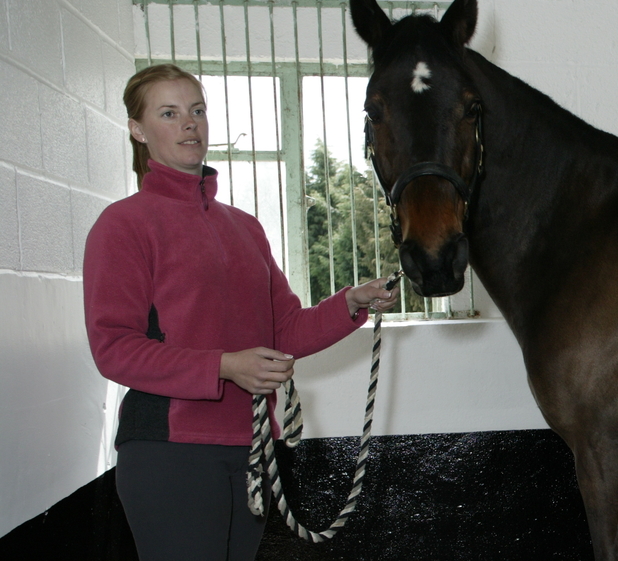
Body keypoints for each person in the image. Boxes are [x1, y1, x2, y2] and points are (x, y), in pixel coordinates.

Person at [83, 64, 397, 561]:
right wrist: (226, 366)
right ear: (138, 130)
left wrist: (349, 305)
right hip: (170, 451)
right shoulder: (123, 225)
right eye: (169, 113)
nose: (190, 124)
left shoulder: (245, 228)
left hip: (250, 449)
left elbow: (284, 331)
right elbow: (114, 350)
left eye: (197, 111)